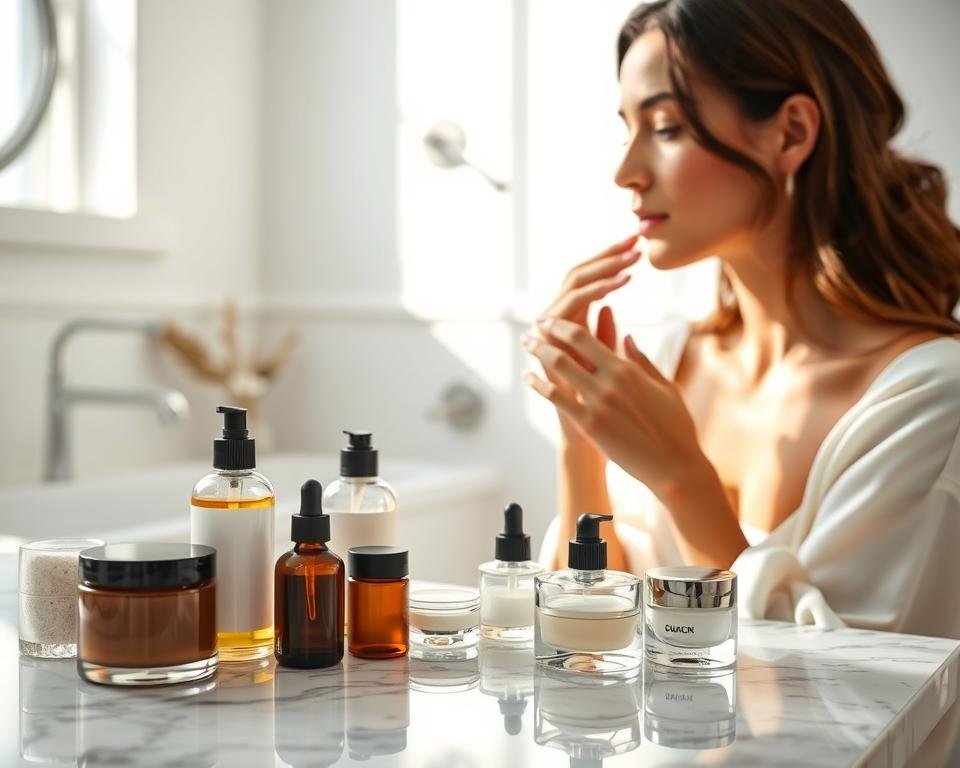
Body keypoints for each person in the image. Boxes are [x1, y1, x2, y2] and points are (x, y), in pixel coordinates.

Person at [523, 1, 960, 760]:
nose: (625, 171)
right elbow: (583, 654)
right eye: (625, 126)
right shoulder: (662, 359)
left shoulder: (928, 397)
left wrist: (684, 480)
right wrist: (579, 444)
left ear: (790, 132)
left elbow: (833, 715)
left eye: (665, 127)